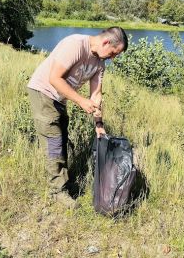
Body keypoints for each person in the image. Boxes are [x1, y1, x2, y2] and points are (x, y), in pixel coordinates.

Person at [27, 27, 128, 208]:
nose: (113, 58)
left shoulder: (100, 63)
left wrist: (99, 124)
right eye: (113, 53)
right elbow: (54, 78)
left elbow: (96, 95)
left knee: (62, 138)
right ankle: (57, 192)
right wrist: (81, 101)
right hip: (43, 91)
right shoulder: (75, 45)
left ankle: (62, 182)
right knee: (54, 141)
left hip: (59, 98)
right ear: (105, 42)